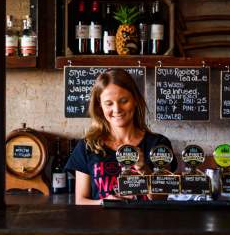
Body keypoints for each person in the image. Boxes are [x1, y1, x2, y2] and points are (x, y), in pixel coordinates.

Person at [65, 69, 177, 205]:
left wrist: (145, 170)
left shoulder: (158, 144)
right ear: (100, 107)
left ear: (135, 100)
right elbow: (81, 200)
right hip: (102, 224)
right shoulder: (88, 146)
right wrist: (104, 202)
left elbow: (161, 199)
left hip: (145, 224)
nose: (117, 109)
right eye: (109, 103)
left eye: (124, 101)